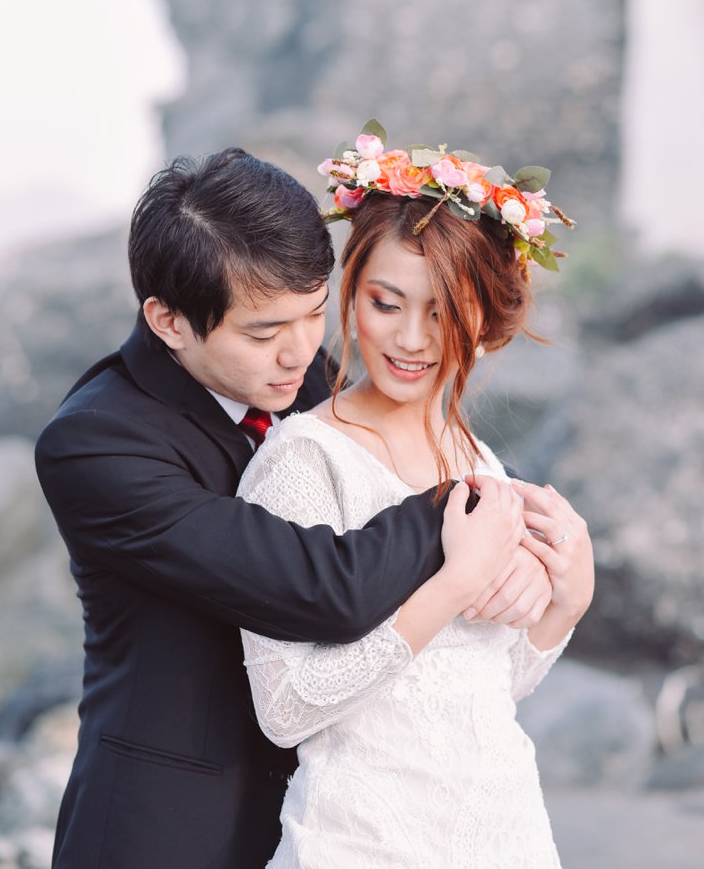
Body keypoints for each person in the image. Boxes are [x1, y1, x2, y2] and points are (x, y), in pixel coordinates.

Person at [34, 148, 551, 869]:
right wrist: (468, 511)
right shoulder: (95, 445)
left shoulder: (303, 376)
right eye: (263, 332)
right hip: (168, 829)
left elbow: (398, 445)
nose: (300, 352)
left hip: (336, 811)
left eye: (314, 314)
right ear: (169, 320)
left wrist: (526, 536)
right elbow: (324, 586)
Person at [236, 126, 594, 867]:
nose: (410, 337)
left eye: (441, 310)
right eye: (384, 302)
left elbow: (482, 687)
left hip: (505, 833)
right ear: (350, 293)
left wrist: (566, 603)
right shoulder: (303, 461)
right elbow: (285, 709)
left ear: (483, 317)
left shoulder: (478, 459)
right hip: (360, 842)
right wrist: (456, 580)